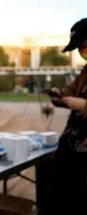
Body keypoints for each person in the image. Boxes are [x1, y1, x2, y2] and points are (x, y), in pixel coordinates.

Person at [47, 18, 87, 214]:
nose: (82, 53)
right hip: (73, 144)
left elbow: (80, 102)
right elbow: (69, 93)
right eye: (80, 50)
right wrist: (59, 97)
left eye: (84, 47)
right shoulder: (85, 71)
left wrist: (84, 105)